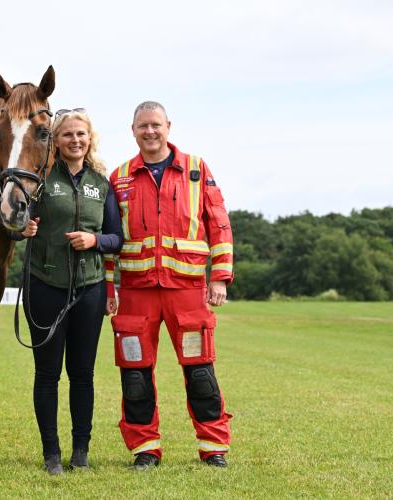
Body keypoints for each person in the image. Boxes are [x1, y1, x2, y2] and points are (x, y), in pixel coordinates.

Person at [106, 101, 234, 470]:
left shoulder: (197, 169)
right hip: (135, 292)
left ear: (168, 126)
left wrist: (221, 277)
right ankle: (145, 447)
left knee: (200, 371)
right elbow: (111, 238)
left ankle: (213, 446)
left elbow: (219, 224)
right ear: (133, 130)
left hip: (188, 290)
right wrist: (109, 288)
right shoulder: (120, 177)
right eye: (143, 126)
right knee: (135, 374)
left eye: (156, 125)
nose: (150, 132)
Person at [18, 108, 123, 474]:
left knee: (83, 374)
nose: (75, 140)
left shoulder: (101, 183)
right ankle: (51, 454)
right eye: (67, 135)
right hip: (45, 286)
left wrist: (94, 239)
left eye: (81, 134)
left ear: (89, 138)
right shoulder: (42, 178)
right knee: (47, 375)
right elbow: (15, 219)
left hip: (89, 290)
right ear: (56, 141)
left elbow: (117, 239)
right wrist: (23, 228)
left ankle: (81, 452)